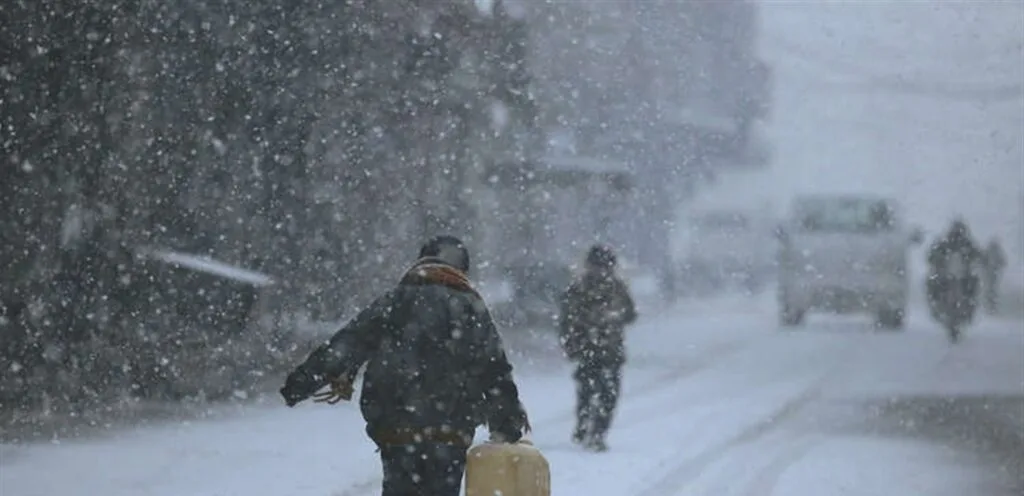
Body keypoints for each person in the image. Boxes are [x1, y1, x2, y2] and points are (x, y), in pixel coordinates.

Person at [279, 235, 530, 496]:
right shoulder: (470, 306)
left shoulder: (394, 301)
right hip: (451, 428)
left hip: (396, 426)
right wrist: (506, 421)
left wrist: (301, 382)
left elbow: (348, 343)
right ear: (462, 269)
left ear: (420, 261)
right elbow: (493, 368)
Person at [558, 244, 638, 452]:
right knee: (592, 391)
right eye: (598, 266)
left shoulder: (614, 288)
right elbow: (566, 320)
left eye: (604, 266)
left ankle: (595, 432)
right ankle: (588, 429)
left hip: (605, 351)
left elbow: (630, 314)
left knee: (604, 393)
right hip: (592, 350)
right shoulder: (582, 289)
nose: (601, 271)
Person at [926, 219, 984, 320]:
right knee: (932, 283)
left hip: (963, 275)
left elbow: (978, 255)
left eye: (959, 232)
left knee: (973, 285)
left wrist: (977, 260)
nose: (957, 236)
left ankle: (969, 309)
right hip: (946, 274)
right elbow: (932, 256)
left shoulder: (967, 244)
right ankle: (936, 307)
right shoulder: (945, 243)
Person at [982, 237, 1007, 314]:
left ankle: (991, 305)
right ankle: (991, 305)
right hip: (991, 273)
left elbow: (1003, 262)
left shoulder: (990, 252)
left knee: (991, 289)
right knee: (991, 289)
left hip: (992, 273)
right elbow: (1003, 262)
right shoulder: (993, 252)